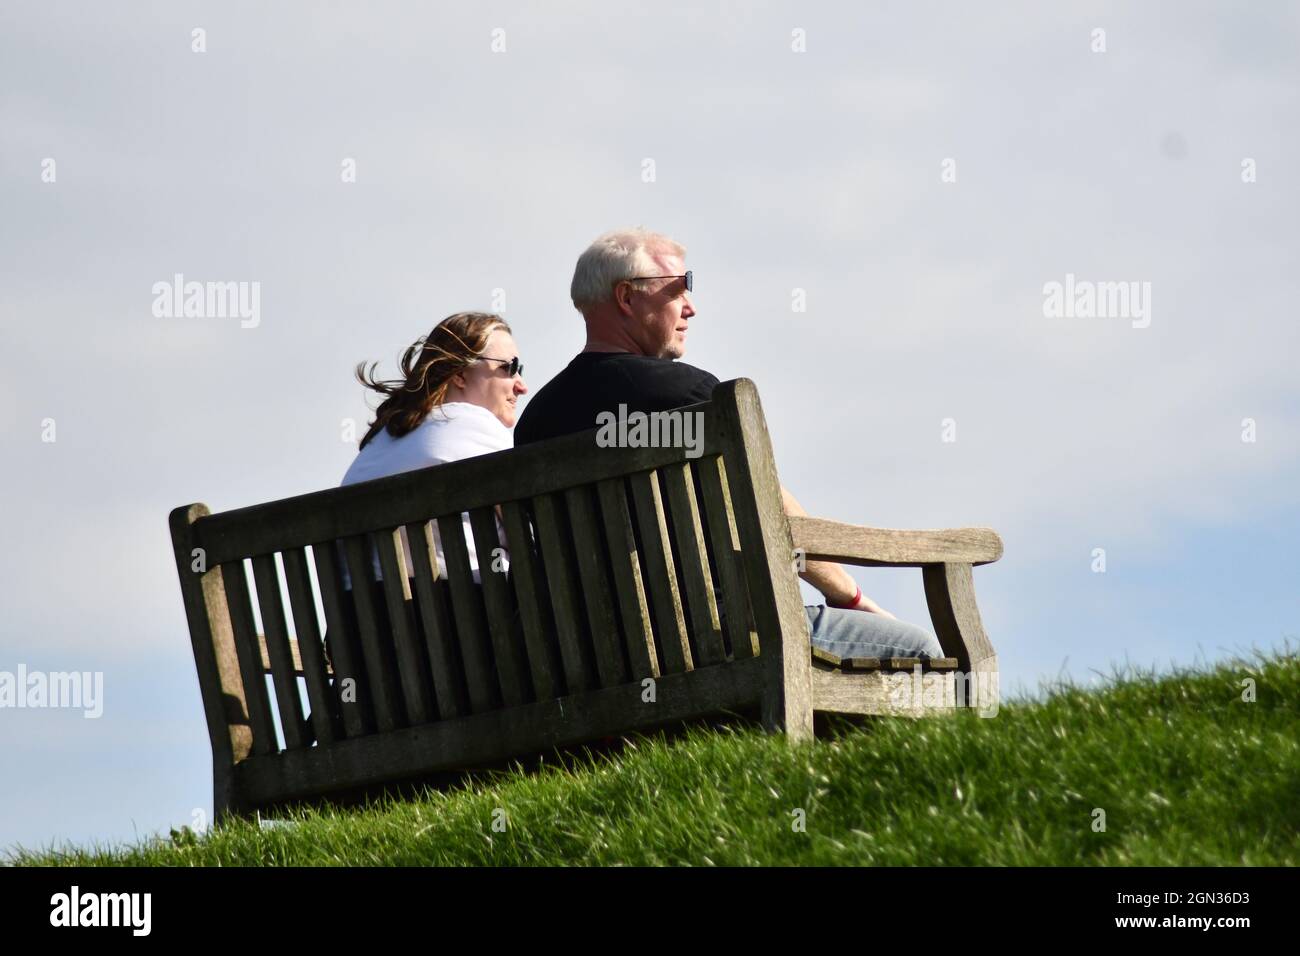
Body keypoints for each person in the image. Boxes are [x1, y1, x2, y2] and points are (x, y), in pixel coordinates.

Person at [515, 228, 944, 661]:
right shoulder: (690, 398)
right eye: (679, 288)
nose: (691, 307)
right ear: (627, 297)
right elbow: (769, 508)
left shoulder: (534, 424)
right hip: (719, 640)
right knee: (919, 650)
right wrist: (851, 598)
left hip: (597, 657)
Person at [341, 311, 528, 586]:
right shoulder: (474, 425)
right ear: (461, 375)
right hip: (466, 616)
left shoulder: (377, 443)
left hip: (364, 622)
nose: (521, 386)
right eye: (509, 368)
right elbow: (533, 531)